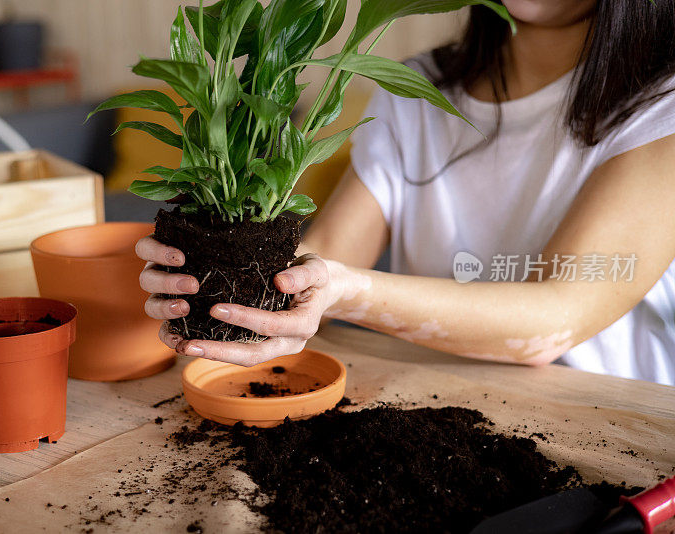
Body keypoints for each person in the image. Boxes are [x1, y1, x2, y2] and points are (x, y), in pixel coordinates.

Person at [136, 1, 675, 385]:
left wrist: (346, 291)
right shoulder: (415, 88)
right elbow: (326, 259)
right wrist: (217, 274)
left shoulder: (661, 108)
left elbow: (556, 319)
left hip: (605, 429)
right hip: (426, 404)